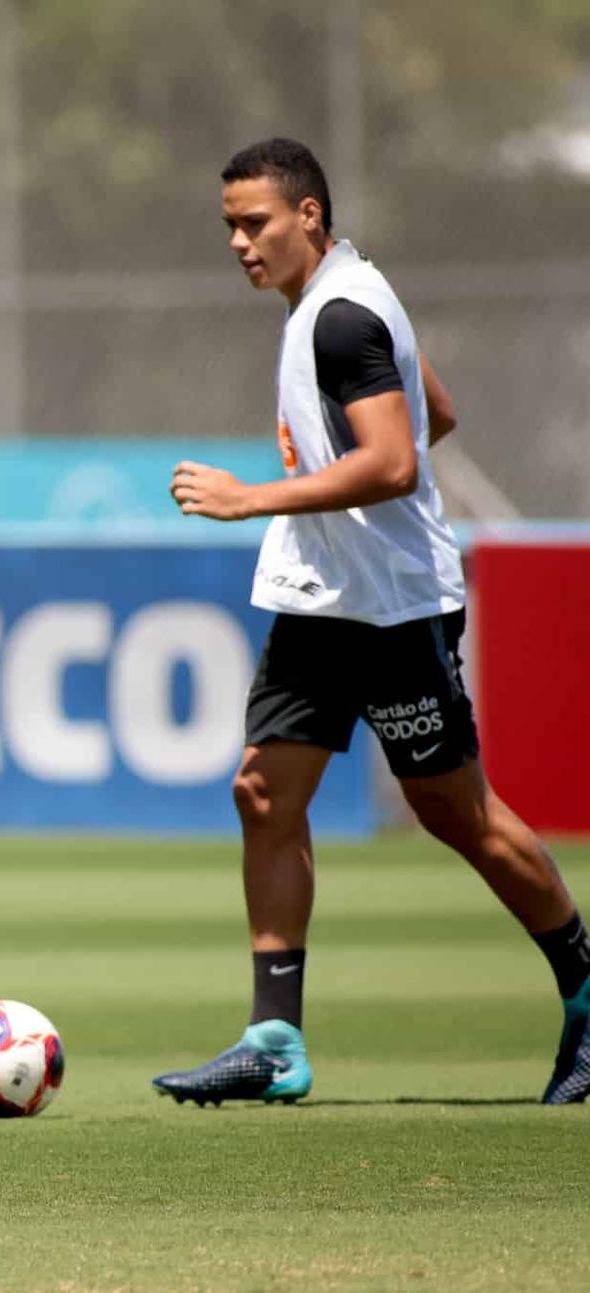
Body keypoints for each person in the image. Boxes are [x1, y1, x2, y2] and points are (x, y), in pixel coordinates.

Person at [157, 138, 590, 1106]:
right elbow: (434, 411)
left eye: (255, 222)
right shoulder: (343, 296)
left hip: (392, 611)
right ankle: (275, 1042)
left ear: (308, 216)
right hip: (324, 599)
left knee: (456, 815)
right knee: (263, 795)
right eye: (228, 224)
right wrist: (324, 448)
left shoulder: (341, 318)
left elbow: (397, 460)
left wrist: (257, 496)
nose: (239, 241)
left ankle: (586, 987)